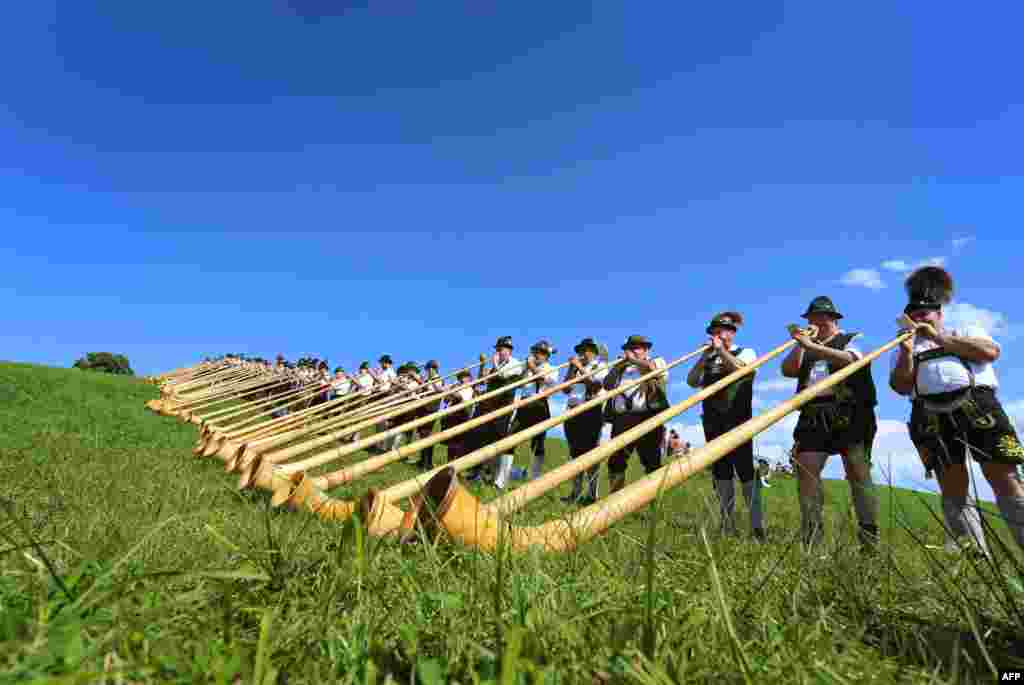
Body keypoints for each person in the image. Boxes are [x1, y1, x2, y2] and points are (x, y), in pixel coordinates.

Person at [890, 266, 1024, 554]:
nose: (919, 317)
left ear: (939, 312)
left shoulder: (964, 330)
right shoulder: (903, 346)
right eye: (913, 314)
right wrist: (905, 351)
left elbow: (989, 352)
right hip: (928, 414)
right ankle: (974, 557)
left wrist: (938, 337)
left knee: (1004, 476)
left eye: (925, 312)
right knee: (952, 486)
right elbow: (900, 386)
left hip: (978, 405)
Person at [781, 296, 879, 551]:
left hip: (851, 410)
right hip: (813, 412)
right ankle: (812, 537)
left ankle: (869, 537)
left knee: (857, 471)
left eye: (821, 317)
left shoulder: (854, 338)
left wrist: (812, 346)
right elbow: (788, 370)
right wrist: (801, 344)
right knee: (806, 468)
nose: (815, 322)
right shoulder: (807, 345)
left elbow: (850, 360)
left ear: (834, 319)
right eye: (811, 318)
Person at [687, 312, 764, 538]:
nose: (718, 335)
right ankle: (727, 523)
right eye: (714, 332)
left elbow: (744, 370)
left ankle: (756, 524)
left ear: (732, 333)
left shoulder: (746, 352)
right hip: (713, 420)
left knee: (745, 470)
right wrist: (703, 357)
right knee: (721, 472)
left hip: (738, 419)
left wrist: (721, 351)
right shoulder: (708, 357)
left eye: (722, 331)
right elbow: (692, 381)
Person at [602, 335, 670, 495]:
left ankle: (654, 500)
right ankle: (616, 500)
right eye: (629, 348)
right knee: (616, 460)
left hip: (648, 417)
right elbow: (607, 385)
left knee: (651, 462)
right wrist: (617, 367)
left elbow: (654, 370)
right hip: (622, 420)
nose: (631, 351)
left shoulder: (657, 361)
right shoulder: (621, 368)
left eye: (635, 348)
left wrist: (633, 360)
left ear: (646, 350)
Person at [464, 337, 523, 489]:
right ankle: (476, 471)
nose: (497, 352)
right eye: (497, 349)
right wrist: (484, 364)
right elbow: (482, 381)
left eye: (500, 349)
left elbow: (503, 376)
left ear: (508, 350)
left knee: (496, 440)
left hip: (502, 407)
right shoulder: (495, 365)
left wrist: (495, 364)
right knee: (478, 436)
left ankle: (499, 474)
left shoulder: (515, 364)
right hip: (488, 405)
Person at [561, 337, 609, 505]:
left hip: (591, 412)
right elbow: (565, 389)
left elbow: (596, 386)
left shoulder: (600, 366)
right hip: (572, 412)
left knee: (591, 454)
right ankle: (575, 492)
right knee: (575, 453)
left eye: (585, 350)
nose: (582, 353)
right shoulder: (575, 368)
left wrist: (580, 367)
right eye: (580, 350)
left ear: (593, 352)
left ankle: (592, 494)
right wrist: (570, 369)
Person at [513, 341, 560, 480]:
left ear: (546, 355)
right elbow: (519, 384)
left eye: (540, 352)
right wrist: (524, 370)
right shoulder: (527, 368)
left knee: (538, 443)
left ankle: (535, 477)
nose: (537, 354)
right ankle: (500, 478)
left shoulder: (553, 368)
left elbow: (544, 380)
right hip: (524, 404)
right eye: (535, 351)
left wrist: (531, 366)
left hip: (540, 405)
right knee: (511, 437)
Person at [441, 365, 483, 465]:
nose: (462, 378)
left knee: (460, 443)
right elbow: (446, 400)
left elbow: (464, 399)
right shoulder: (455, 386)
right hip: (452, 416)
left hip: (464, 415)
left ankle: (457, 466)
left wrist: (454, 393)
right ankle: (449, 464)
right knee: (451, 442)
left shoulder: (472, 388)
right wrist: (449, 393)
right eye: (460, 377)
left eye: (464, 376)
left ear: (469, 378)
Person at [415, 360, 445, 470]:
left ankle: (428, 462)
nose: (427, 371)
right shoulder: (429, 379)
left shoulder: (438, 379)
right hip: (424, 409)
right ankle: (423, 460)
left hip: (431, 410)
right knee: (422, 435)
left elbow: (438, 392)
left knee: (426, 435)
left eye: (428, 369)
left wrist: (429, 382)